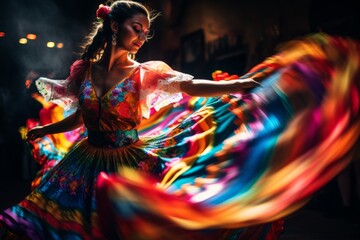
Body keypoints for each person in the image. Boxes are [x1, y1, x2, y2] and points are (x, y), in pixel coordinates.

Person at [1, 1, 360, 239]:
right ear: (113, 26)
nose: (143, 36)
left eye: (145, 31)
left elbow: (190, 85)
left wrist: (238, 85)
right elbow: (81, 115)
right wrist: (46, 128)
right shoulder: (84, 71)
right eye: (136, 28)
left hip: (127, 162)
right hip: (83, 162)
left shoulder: (146, 72)